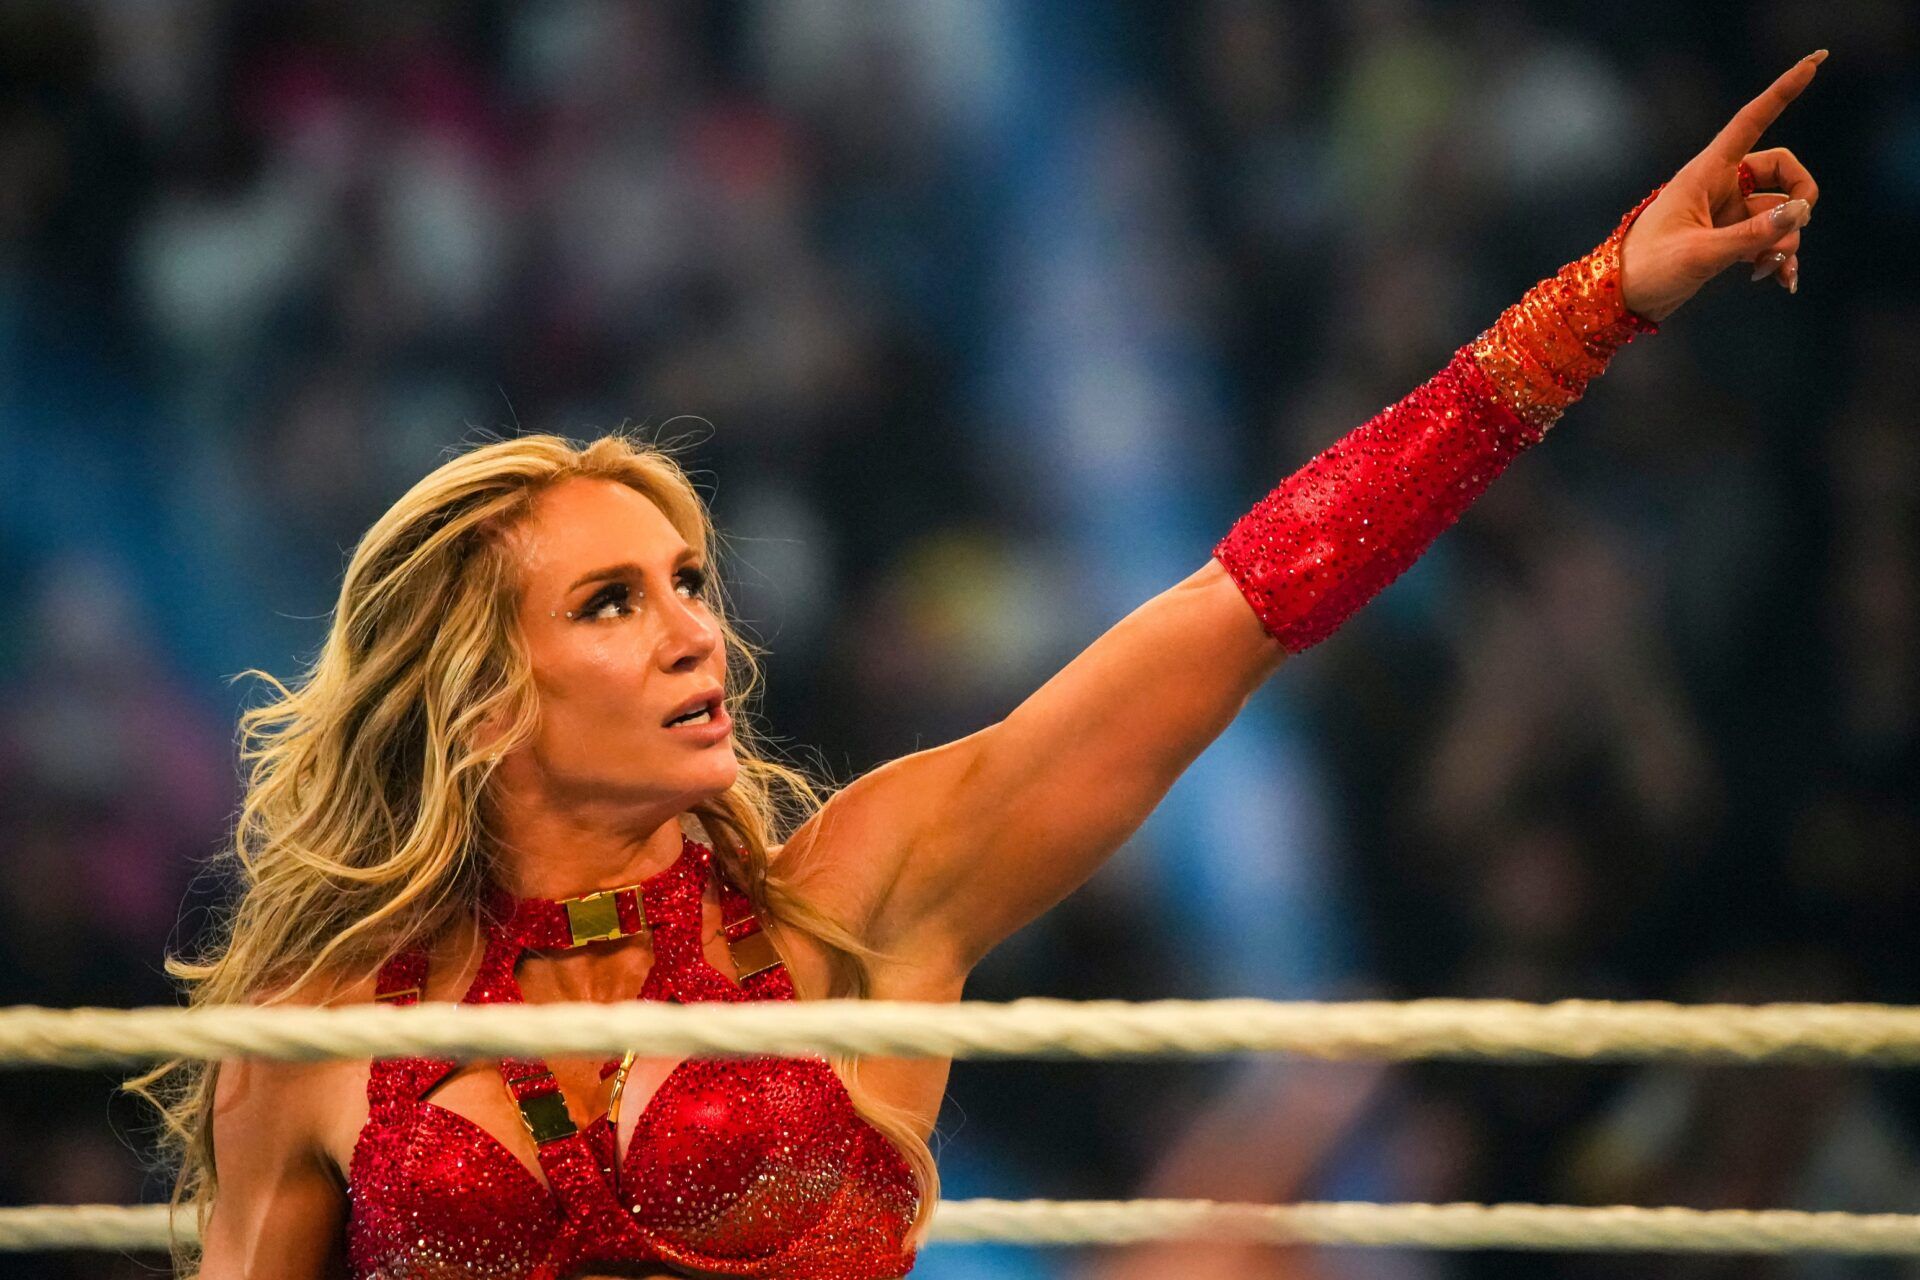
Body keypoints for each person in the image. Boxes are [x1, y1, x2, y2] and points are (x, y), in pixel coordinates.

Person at [128, 51, 1825, 1280]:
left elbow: (1246, 604)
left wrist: (1601, 299)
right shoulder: (327, 1028)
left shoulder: (857, 898)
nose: (695, 628)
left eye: (693, 583)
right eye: (612, 603)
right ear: (481, 701)